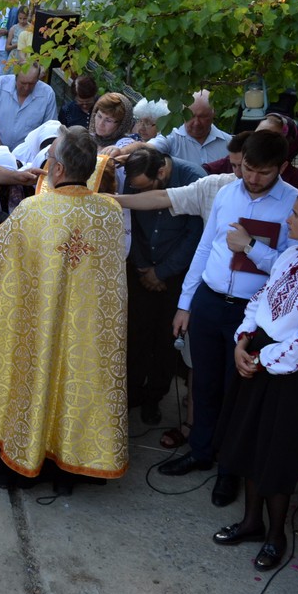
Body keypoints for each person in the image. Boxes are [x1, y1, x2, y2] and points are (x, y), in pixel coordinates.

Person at [0, 126, 128, 493]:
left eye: (49, 158)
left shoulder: (33, 210)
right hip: (88, 330)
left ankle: (29, 451)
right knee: (79, 379)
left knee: (37, 377)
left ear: (56, 170)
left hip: (40, 323)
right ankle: (75, 458)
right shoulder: (110, 214)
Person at [212, 189, 298, 572]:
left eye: (295, 214)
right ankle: (251, 523)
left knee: (277, 454)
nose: (288, 220)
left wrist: (261, 359)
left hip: (290, 373)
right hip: (260, 357)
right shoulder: (292, 256)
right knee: (251, 445)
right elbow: (261, 298)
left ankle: (276, 536)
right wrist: (243, 338)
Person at [159, 130, 298, 509]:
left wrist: (253, 249)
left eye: (263, 173)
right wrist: (186, 303)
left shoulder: (294, 206)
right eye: (248, 169)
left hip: (251, 312)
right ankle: (201, 451)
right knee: (203, 383)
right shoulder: (227, 192)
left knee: (237, 393)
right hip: (209, 300)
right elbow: (207, 247)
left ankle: (229, 471)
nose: (252, 178)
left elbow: (292, 269)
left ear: (282, 168)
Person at [120, 146, 206, 425]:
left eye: (147, 189)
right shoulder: (133, 178)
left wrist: (163, 272)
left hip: (175, 275)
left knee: (166, 340)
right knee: (136, 335)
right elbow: (129, 223)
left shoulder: (194, 178)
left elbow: (196, 235)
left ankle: (154, 397)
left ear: (161, 172)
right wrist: (144, 267)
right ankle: (131, 394)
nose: (140, 194)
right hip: (141, 269)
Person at [0, 62, 59, 150]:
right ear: (15, 77)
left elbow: (49, 130)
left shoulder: (47, 94)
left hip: (28, 156)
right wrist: (2, 152)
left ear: (38, 79)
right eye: (23, 83)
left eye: (32, 83)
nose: (27, 88)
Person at [147, 90, 231, 166]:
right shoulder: (172, 137)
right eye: (191, 116)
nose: (196, 123)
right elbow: (147, 149)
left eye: (203, 116)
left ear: (213, 114)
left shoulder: (228, 142)